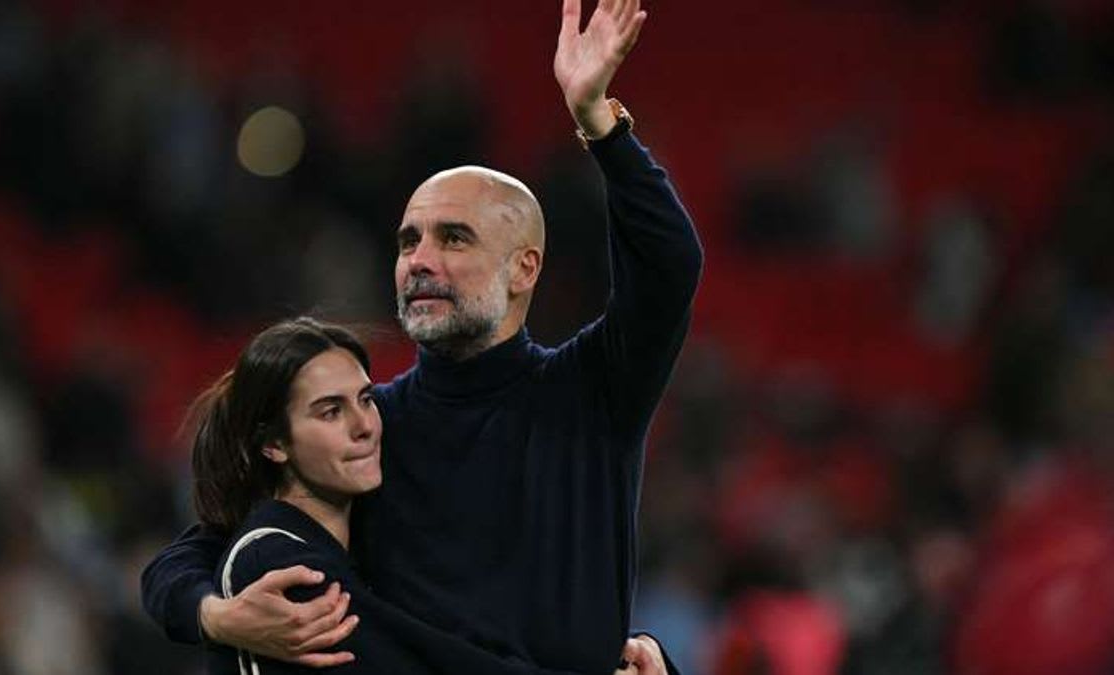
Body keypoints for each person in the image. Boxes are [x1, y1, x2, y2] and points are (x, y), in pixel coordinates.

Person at [142, 0, 702, 672]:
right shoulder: (371, 431)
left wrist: (599, 123)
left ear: (525, 268)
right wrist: (216, 613)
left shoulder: (590, 393)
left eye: (453, 238)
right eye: (409, 241)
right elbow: (192, 555)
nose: (419, 261)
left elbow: (669, 264)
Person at [188, 316, 653, 674]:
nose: (363, 426)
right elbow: (429, 665)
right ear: (273, 444)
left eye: (366, 400)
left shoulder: (354, 539)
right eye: (330, 412)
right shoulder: (276, 560)